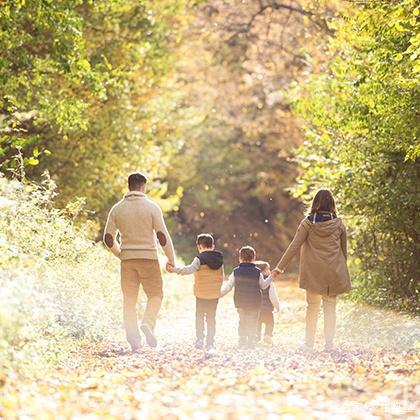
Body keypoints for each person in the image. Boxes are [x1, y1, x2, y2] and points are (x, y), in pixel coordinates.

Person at [103, 172, 176, 353]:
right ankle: (148, 323)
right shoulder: (152, 207)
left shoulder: (117, 209)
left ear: (129, 186)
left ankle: (134, 342)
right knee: (156, 295)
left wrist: (119, 253)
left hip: (127, 261)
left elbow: (108, 238)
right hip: (149, 259)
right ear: (143, 186)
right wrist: (170, 259)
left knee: (129, 300)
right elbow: (162, 236)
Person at [275, 189, 350, 351]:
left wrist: (279, 268)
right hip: (333, 272)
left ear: (315, 203)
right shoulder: (338, 224)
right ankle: (329, 344)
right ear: (332, 204)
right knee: (330, 308)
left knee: (313, 307)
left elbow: (294, 246)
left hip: (313, 273)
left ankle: (309, 344)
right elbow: (344, 252)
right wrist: (341, 270)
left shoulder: (307, 223)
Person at [167, 233, 224, 350]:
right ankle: (210, 342)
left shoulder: (199, 259)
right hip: (214, 294)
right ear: (212, 246)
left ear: (199, 246)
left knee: (199, 316)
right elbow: (221, 276)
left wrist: (174, 270)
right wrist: (217, 289)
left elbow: (189, 270)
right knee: (211, 318)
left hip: (201, 294)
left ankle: (200, 339)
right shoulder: (219, 259)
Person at [221, 246, 280, 348]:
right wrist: (271, 276)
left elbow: (228, 286)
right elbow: (264, 285)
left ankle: (242, 339)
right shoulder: (258, 272)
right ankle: (251, 341)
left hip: (240, 302)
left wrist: (218, 294)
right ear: (254, 258)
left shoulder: (235, 271)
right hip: (255, 302)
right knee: (253, 321)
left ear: (240, 258)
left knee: (242, 320)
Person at [255, 261, 280, 345]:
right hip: (268, 310)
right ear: (261, 272)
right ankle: (267, 335)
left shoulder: (255, 282)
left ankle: (257, 336)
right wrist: (277, 306)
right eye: (267, 269)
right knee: (270, 323)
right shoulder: (269, 283)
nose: (269, 271)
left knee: (258, 323)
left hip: (258, 309)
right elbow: (273, 296)